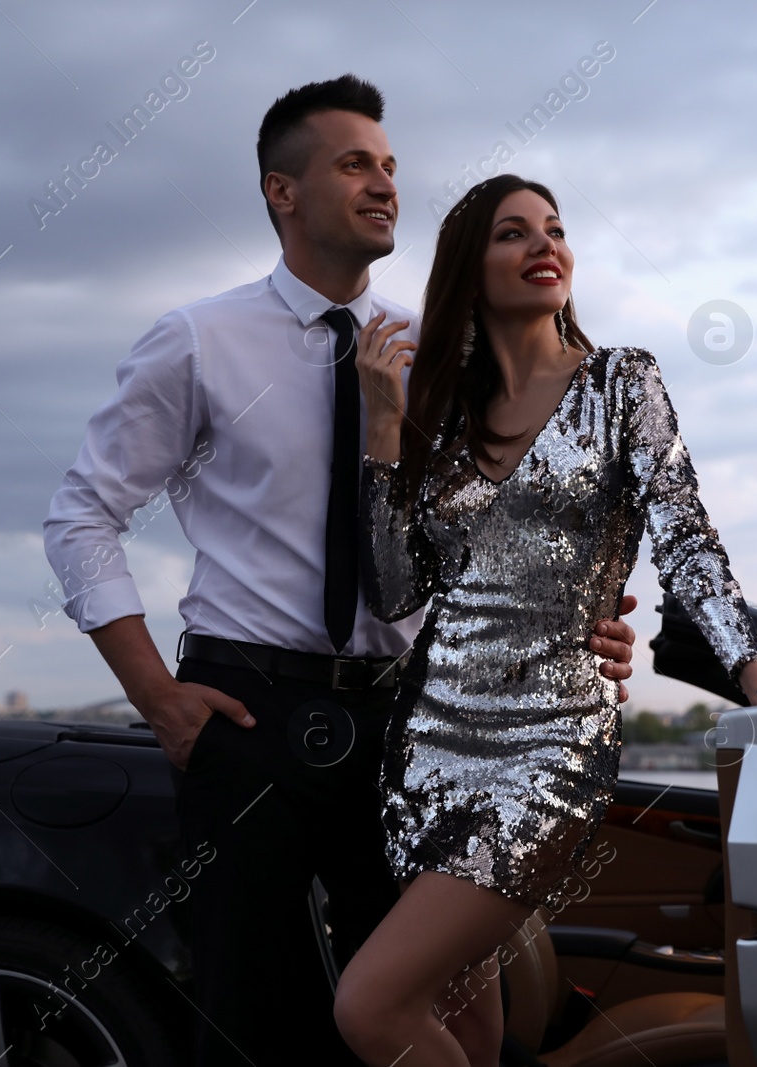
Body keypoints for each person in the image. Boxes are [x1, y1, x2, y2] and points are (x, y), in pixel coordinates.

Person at [42, 79, 640, 1066]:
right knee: (246, 1013)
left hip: (409, 720)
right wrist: (158, 696)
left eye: (392, 166)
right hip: (248, 718)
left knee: (438, 1011)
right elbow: (82, 514)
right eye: (354, 163)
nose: (384, 183)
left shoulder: (440, 352)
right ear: (283, 191)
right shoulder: (196, 340)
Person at [333, 175, 757, 1066]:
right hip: (426, 749)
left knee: (369, 1005)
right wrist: (385, 428)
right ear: (471, 271)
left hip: (550, 742)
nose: (545, 244)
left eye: (554, 229)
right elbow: (395, 591)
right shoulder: (448, 416)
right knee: (462, 1023)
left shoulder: (624, 381)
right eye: (514, 234)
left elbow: (689, 541)